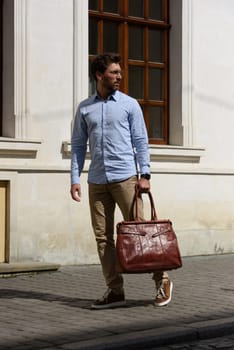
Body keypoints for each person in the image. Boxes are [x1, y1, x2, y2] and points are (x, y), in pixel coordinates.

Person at [70, 53, 172, 309]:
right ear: (99, 75)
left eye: (119, 72)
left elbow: (140, 141)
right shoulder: (85, 107)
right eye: (114, 72)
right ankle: (115, 290)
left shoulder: (129, 104)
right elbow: (79, 146)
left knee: (142, 232)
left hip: (126, 178)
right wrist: (75, 178)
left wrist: (145, 174)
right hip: (97, 180)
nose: (119, 77)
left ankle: (163, 280)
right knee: (103, 238)